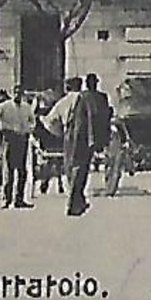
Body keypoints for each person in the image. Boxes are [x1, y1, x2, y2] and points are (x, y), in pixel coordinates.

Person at [64, 73, 112, 216]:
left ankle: (79, 200)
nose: (93, 84)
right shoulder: (83, 98)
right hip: (81, 139)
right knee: (79, 171)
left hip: (89, 139)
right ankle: (74, 203)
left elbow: (103, 118)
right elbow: (82, 120)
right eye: (91, 82)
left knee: (83, 171)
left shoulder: (100, 97)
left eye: (94, 82)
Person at [0, 85, 37, 209]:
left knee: (22, 170)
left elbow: (32, 121)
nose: (18, 95)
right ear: (13, 93)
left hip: (22, 139)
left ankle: (19, 199)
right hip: (9, 139)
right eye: (16, 92)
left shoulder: (26, 107)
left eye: (20, 93)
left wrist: (28, 130)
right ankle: (6, 199)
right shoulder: (5, 106)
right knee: (9, 169)